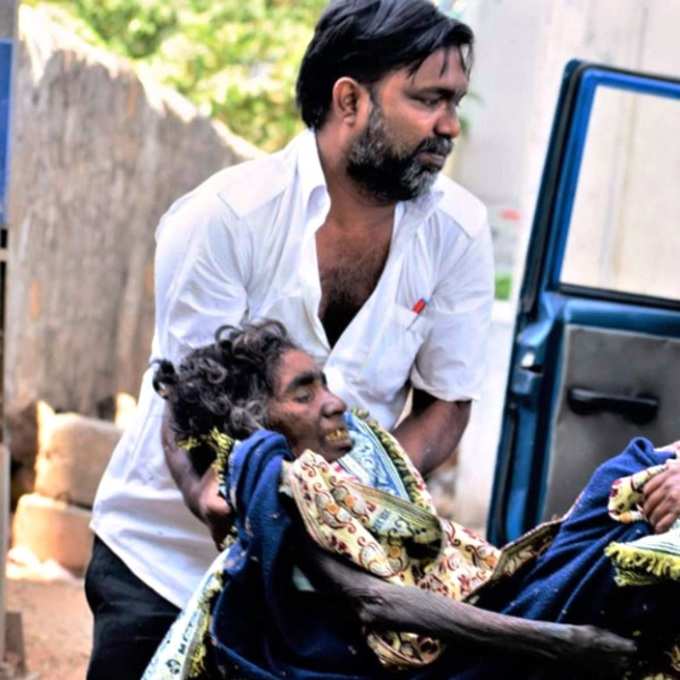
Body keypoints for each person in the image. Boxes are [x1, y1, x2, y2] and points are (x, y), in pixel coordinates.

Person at [86, 2, 496, 677]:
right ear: (349, 100)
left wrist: (359, 508)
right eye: (428, 99)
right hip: (163, 562)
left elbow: (447, 402)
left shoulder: (458, 233)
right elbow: (187, 401)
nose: (449, 124)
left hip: (319, 587)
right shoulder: (226, 217)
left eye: (454, 101)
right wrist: (223, 496)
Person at [144, 320, 680, 679]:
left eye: (325, 385)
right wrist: (564, 642)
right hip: (463, 656)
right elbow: (376, 600)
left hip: (493, 607)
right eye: (304, 394)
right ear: (257, 425)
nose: (334, 404)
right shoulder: (279, 492)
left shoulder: (340, 480)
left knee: (634, 478)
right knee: (634, 525)